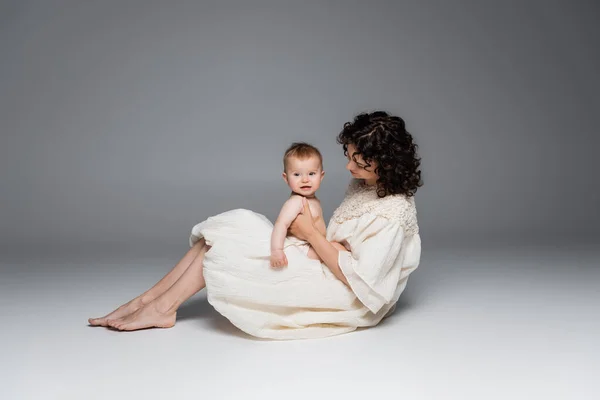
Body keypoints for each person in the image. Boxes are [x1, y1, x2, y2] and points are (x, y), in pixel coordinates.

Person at [89, 111, 423, 340]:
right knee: (225, 231)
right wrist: (318, 241)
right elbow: (338, 242)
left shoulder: (391, 214)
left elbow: (365, 283)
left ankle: (161, 308)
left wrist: (308, 235)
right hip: (321, 258)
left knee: (228, 245)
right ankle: (146, 302)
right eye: (348, 156)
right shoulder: (367, 187)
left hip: (348, 294)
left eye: (357, 160)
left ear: (384, 162)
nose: (348, 166)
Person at [270, 142, 333, 268]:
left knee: (336, 250)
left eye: (311, 174)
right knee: (338, 253)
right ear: (286, 178)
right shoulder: (296, 201)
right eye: (297, 174)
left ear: (321, 176)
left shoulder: (314, 200)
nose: (305, 179)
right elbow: (281, 224)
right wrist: (277, 250)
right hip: (300, 249)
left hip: (312, 244)